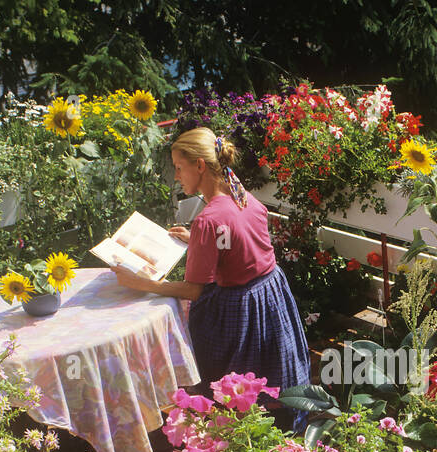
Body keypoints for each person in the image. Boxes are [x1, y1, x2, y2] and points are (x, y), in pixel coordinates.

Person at [110, 126, 310, 430]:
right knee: (275, 373)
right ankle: (285, 426)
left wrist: (143, 283)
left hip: (239, 308)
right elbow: (237, 235)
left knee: (231, 384)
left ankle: (233, 437)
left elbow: (193, 290)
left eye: (179, 167)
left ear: (199, 165)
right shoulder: (238, 192)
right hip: (271, 294)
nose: (177, 176)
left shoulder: (208, 219)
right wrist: (198, 241)